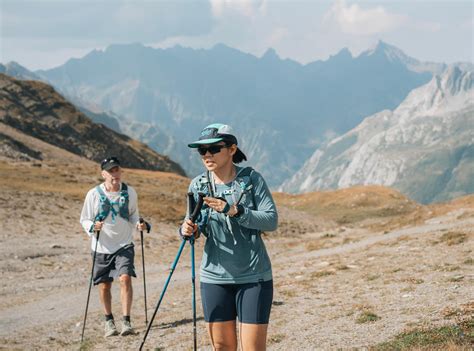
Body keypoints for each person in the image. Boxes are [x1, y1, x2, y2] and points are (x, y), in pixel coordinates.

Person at [181, 123, 278, 351]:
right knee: (222, 348)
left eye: (214, 148)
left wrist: (235, 211)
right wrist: (188, 230)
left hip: (254, 278)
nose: (207, 154)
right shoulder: (198, 185)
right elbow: (192, 225)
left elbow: (271, 220)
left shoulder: (251, 179)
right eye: (201, 150)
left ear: (232, 149)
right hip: (214, 279)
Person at [80, 156, 147, 337]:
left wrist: (139, 224)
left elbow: (133, 215)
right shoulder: (93, 194)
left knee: (125, 278)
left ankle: (126, 322)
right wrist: (92, 227)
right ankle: (109, 321)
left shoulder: (130, 192)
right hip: (101, 246)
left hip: (124, 244)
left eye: (117, 170)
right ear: (103, 174)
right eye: (110, 171)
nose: (114, 174)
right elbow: (84, 219)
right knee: (104, 286)